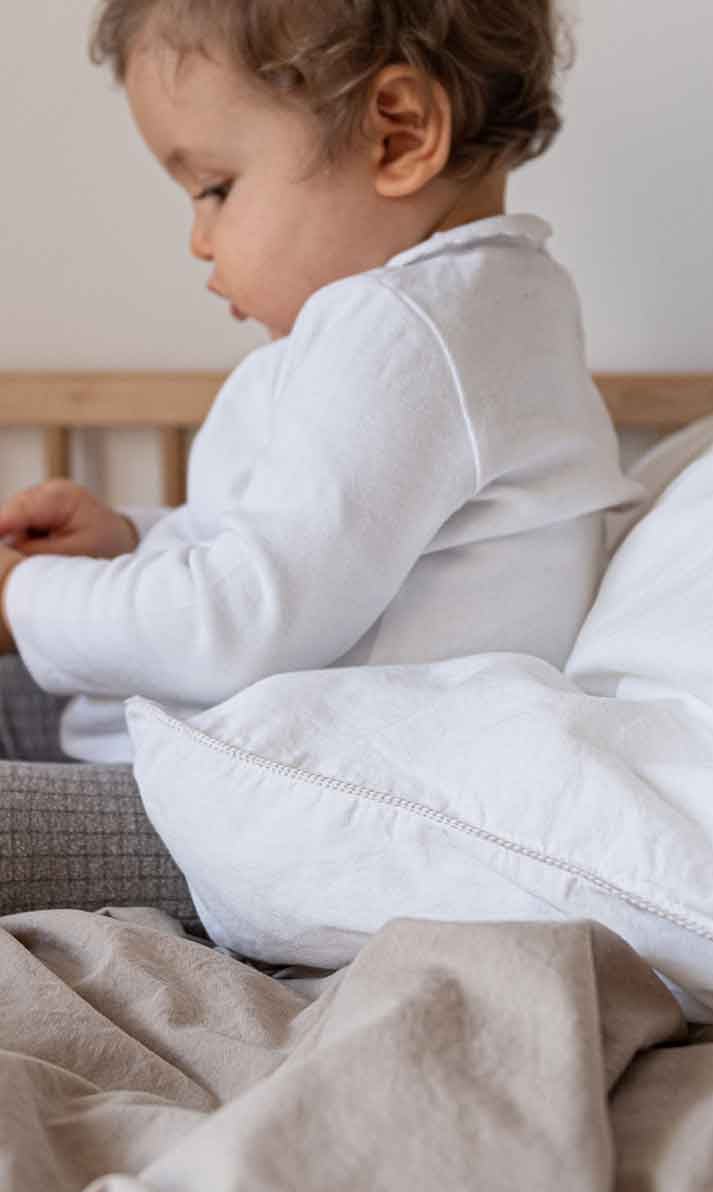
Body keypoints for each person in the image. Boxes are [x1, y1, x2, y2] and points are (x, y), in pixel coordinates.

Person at [0, 0, 641, 919]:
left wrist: (19, 601)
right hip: (259, 769)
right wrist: (126, 543)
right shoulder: (488, 305)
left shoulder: (401, 326)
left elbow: (244, 617)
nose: (198, 237)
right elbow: (299, 563)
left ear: (399, 133)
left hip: (272, 815)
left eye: (215, 186)